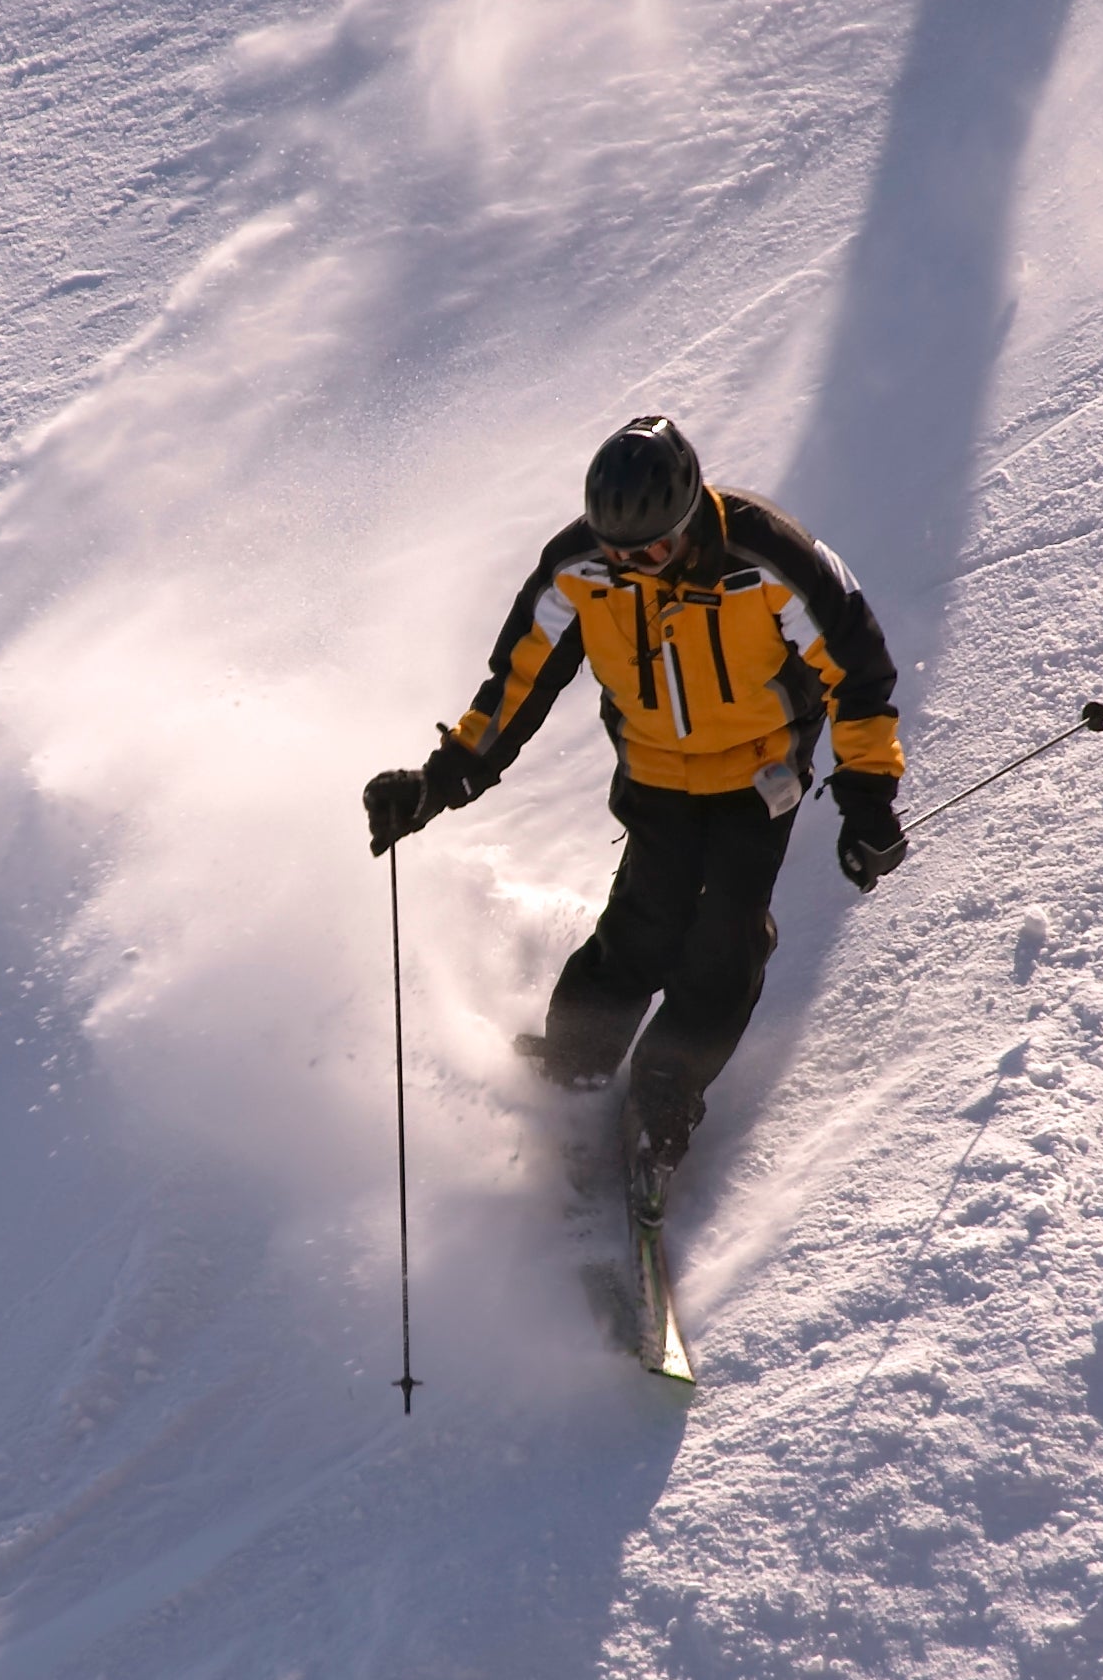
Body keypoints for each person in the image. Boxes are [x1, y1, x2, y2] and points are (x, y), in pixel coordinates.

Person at [363, 414, 908, 1220]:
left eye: (652, 549)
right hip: (654, 775)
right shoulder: (582, 570)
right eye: (620, 552)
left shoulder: (770, 560)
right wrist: (439, 781)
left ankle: (662, 1097)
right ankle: (572, 1073)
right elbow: (518, 682)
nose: (635, 566)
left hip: (760, 776)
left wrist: (867, 802)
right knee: (641, 929)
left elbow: (858, 673)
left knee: (725, 939)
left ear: (690, 515)